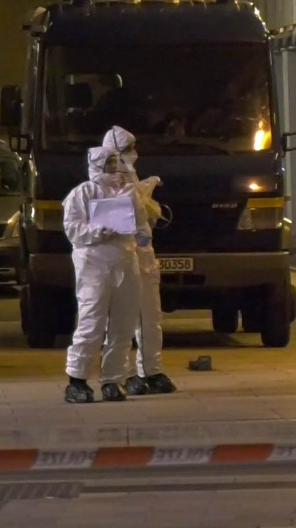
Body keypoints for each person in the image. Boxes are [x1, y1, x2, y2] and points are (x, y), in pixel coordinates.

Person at [62, 146, 144, 404]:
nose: (113, 167)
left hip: (125, 261)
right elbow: (72, 229)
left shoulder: (126, 190)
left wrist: (136, 203)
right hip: (94, 264)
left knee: (123, 325)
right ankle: (77, 380)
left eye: (114, 162)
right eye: (108, 163)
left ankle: (113, 380)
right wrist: (97, 231)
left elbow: (140, 223)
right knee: (91, 322)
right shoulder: (82, 192)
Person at [103, 125, 177, 395]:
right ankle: (125, 375)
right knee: (121, 321)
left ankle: (151, 370)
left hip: (142, 257)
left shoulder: (129, 175)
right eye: (127, 149)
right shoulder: (105, 182)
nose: (133, 153)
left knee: (149, 316)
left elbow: (139, 215)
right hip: (122, 259)